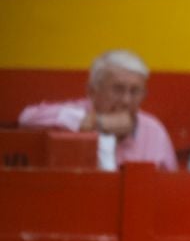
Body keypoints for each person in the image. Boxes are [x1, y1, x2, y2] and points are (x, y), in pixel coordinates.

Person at [18, 50, 177, 171]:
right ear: (92, 92)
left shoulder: (154, 130)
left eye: (135, 91)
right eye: (118, 89)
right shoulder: (79, 111)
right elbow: (26, 118)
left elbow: (169, 187)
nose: (126, 100)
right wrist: (94, 122)